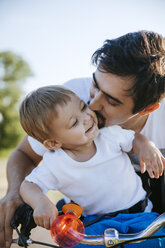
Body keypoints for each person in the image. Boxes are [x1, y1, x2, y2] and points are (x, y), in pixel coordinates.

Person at [0, 30, 165, 248]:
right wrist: (15, 193)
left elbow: (137, 140)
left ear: (148, 109)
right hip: (93, 214)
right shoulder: (68, 100)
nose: (92, 106)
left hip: (146, 199)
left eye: (112, 101)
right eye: (96, 85)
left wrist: (146, 145)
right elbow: (23, 154)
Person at [19, 85, 163, 229]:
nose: (87, 118)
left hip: (141, 214)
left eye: (83, 107)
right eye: (74, 122)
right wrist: (41, 203)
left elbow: (134, 139)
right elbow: (28, 185)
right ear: (54, 142)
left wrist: (146, 146)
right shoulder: (55, 164)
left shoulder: (108, 135)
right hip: (97, 223)